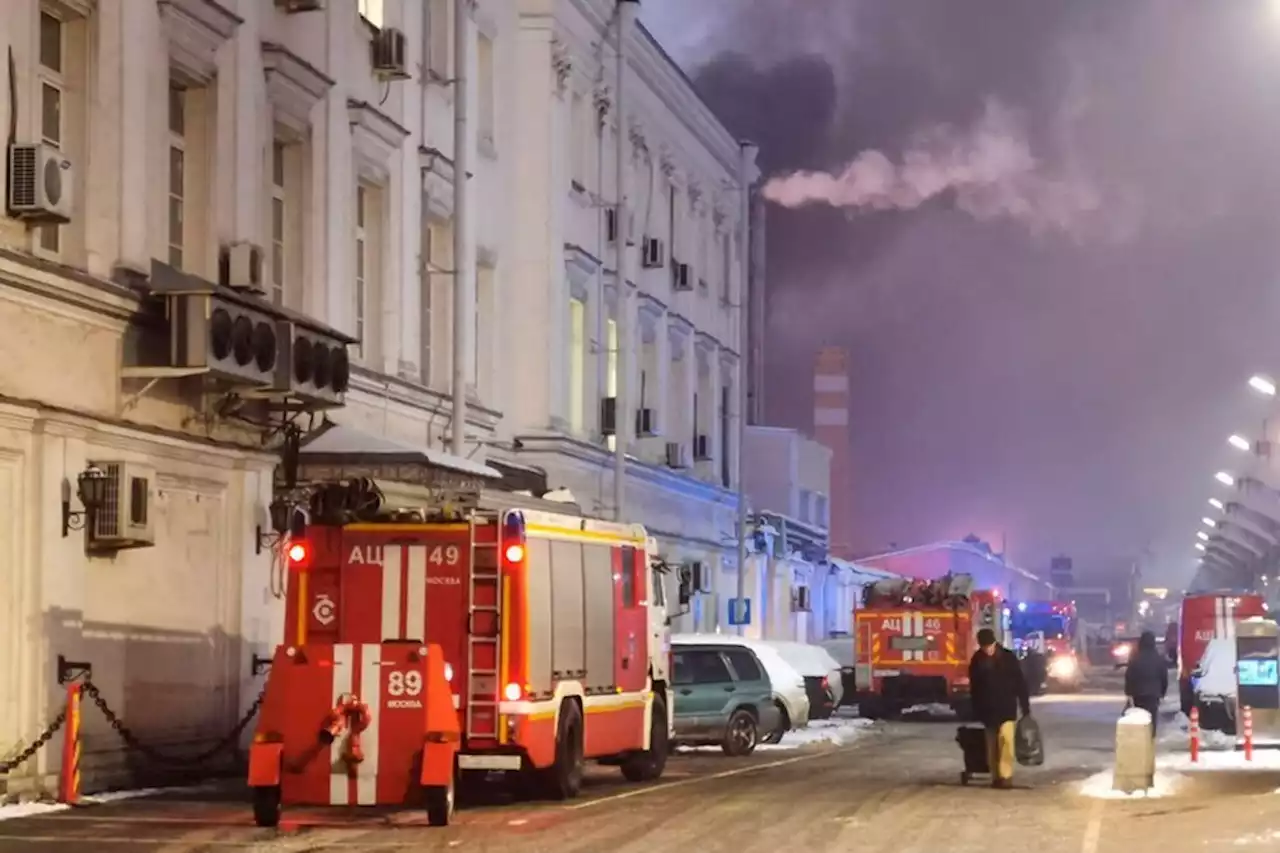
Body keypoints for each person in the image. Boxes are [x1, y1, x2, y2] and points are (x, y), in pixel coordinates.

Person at [969, 627, 1032, 789]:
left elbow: (1020, 682)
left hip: (1006, 707)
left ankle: (1006, 776)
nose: (987, 650)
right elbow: (974, 687)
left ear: (994, 643)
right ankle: (995, 776)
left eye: (989, 646)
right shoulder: (977, 660)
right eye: (984, 647)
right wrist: (975, 708)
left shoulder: (1008, 658)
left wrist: (1025, 707)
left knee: (1006, 740)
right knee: (991, 745)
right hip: (987, 709)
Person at [1124, 630, 1168, 739]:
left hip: (1138, 695)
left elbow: (1129, 676)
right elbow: (1164, 677)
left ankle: (1140, 740)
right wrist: (1162, 692)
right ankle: (1150, 739)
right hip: (1153, 694)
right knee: (1152, 718)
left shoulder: (1135, 658)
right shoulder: (1158, 659)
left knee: (1139, 718)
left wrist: (1129, 692)